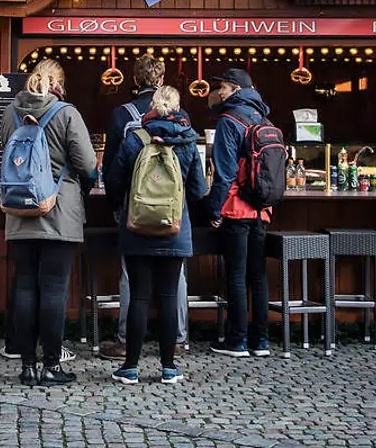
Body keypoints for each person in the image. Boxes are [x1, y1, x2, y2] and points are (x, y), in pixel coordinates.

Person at [104, 85, 208, 384]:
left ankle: (131, 367)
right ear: (178, 108)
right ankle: (168, 367)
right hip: (174, 228)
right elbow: (199, 190)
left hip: (136, 226)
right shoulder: (187, 142)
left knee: (138, 296)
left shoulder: (135, 139)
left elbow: (114, 181)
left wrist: (120, 208)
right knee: (168, 296)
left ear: (151, 106)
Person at [2, 58, 96, 386]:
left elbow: (6, 154)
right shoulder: (66, 113)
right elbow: (87, 163)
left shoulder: (10, 112)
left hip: (18, 210)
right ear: (58, 82)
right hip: (59, 211)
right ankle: (51, 365)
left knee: (26, 286)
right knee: (54, 291)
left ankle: (28, 365)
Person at [99, 54, 193, 360]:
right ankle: (177, 341)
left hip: (135, 208)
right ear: (162, 80)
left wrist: (117, 205)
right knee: (175, 279)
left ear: (135, 81)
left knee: (132, 278)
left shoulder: (121, 116)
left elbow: (111, 170)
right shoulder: (182, 121)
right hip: (174, 213)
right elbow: (194, 178)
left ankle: (126, 342)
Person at [200, 68, 272, 358]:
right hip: (261, 209)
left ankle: (237, 341)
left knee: (237, 275)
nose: (219, 93)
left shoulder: (229, 120)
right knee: (259, 275)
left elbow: (225, 171)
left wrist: (213, 208)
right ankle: (262, 341)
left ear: (235, 90)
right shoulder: (264, 119)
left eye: (223, 89)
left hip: (236, 209)